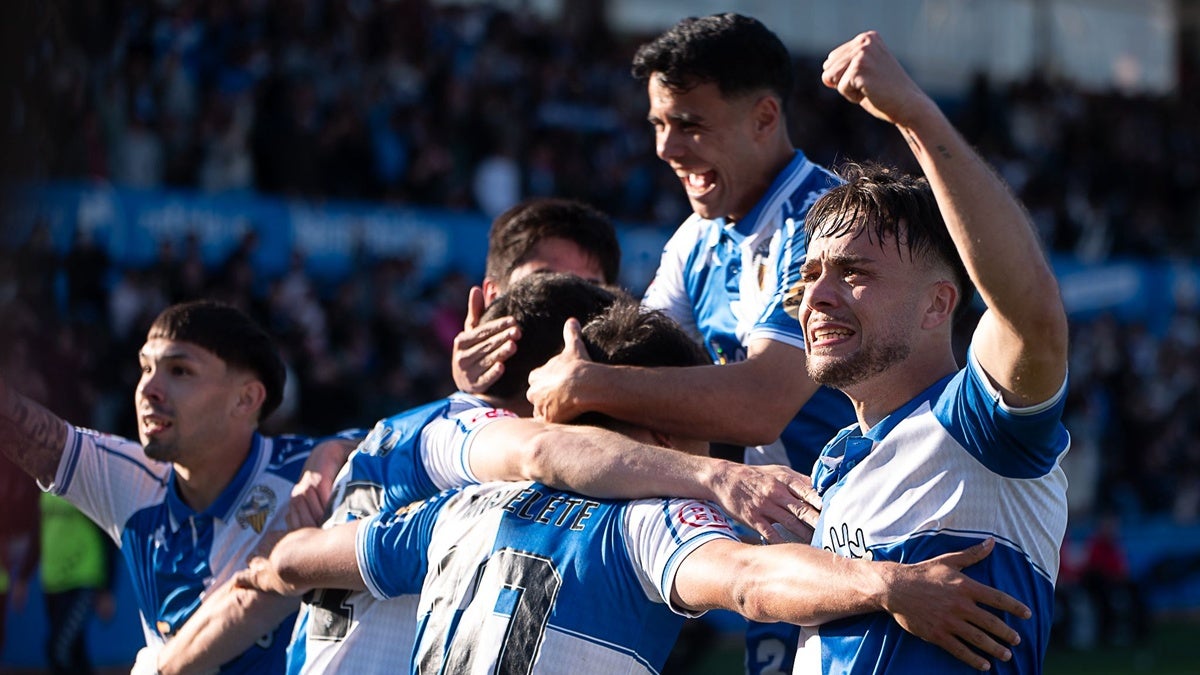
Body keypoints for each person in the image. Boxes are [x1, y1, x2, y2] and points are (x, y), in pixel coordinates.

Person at [237, 302, 1030, 674]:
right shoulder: (650, 522)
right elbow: (750, 581)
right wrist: (882, 584)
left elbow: (304, 557)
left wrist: (265, 566)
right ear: (657, 431)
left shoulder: (457, 511)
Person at [175, 273, 822, 675]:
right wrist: (715, 476)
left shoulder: (417, 464)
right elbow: (543, 451)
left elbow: (283, 566)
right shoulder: (476, 444)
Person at [791, 32, 1071, 673]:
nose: (818, 297)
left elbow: (1032, 315)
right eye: (811, 275)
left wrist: (916, 116)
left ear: (937, 305)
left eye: (853, 273)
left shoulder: (977, 424)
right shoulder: (837, 461)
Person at [0, 299, 363, 674]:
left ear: (246, 399)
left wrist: (336, 450)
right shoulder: (129, 478)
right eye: (146, 368)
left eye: (180, 370)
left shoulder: (307, 475)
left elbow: (402, 441)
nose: (148, 389)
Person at [39, 492, 119, 675]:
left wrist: (107, 589)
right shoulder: (42, 486)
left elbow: (108, 535)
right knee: (75, 651)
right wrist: (23, 577)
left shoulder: (84, 487)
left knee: (58, 650)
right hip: (52, 580)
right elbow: (38, 530)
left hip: (84, 578)